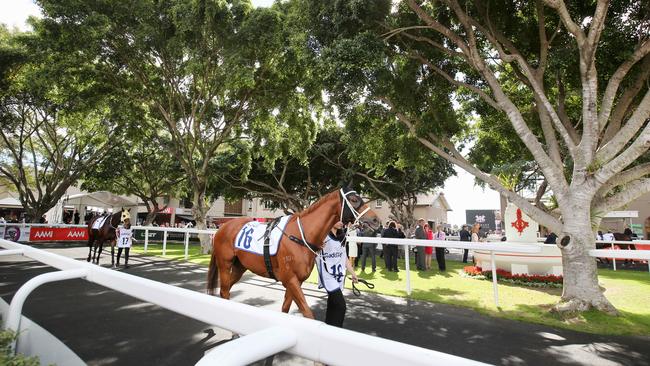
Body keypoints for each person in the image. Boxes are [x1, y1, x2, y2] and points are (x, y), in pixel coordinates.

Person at [316, 221, 358, 328]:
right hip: (327, 275)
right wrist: (317, 247)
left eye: (341, 220)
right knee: (341, 306)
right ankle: (337, 333)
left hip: (338, 276)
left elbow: (344, 258)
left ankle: (328, 330)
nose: (341, 222)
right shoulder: (322, 235)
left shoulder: (341, 237)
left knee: (333, 305)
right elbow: (312, 251)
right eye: (337, 220)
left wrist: (353, 273)